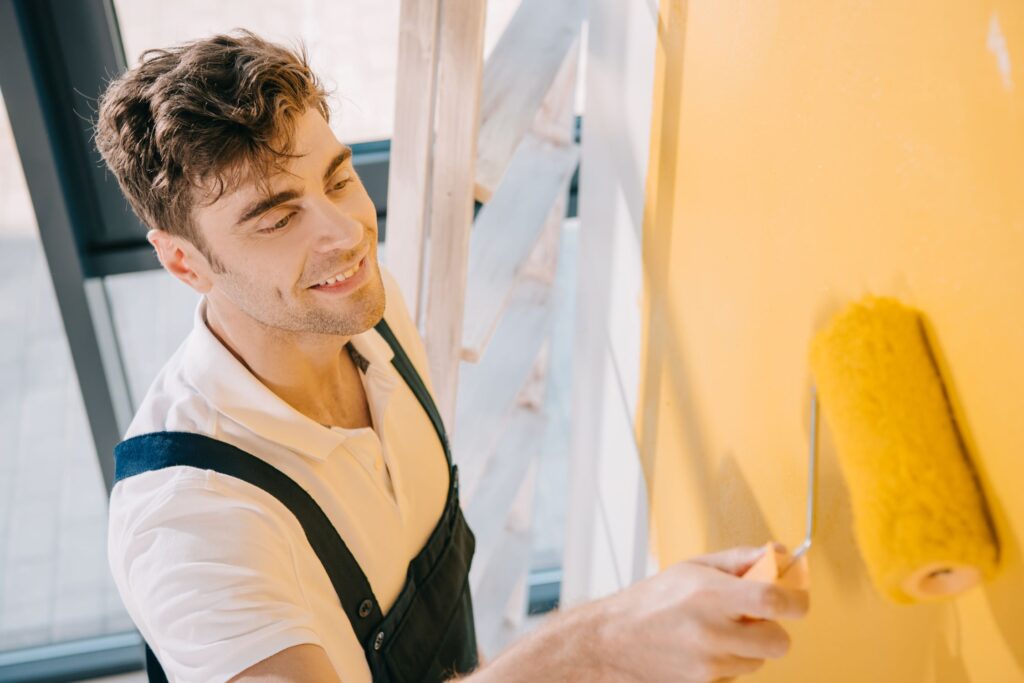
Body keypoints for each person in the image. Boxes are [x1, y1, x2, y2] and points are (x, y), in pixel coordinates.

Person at [94, 29, 809, 683]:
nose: (346, 233)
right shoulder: (187, 523)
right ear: (186, 263)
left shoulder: (369, 313)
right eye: (279, 217)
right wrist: (602, 645)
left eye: (339, 179)